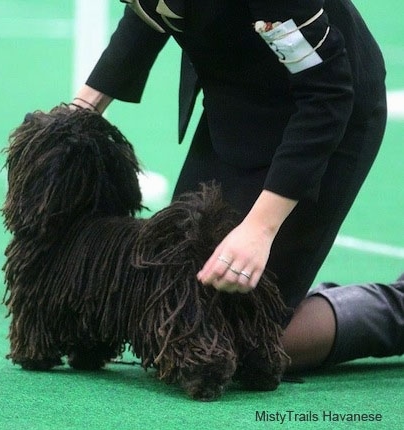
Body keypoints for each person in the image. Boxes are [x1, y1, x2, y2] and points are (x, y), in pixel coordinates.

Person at [72, 0, 403, 370]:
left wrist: (259, 230)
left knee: (242, 343)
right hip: (238, 108)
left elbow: (327, 96)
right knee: (170, 308)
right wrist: (79, 111)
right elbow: (149, 11)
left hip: (326, 118)